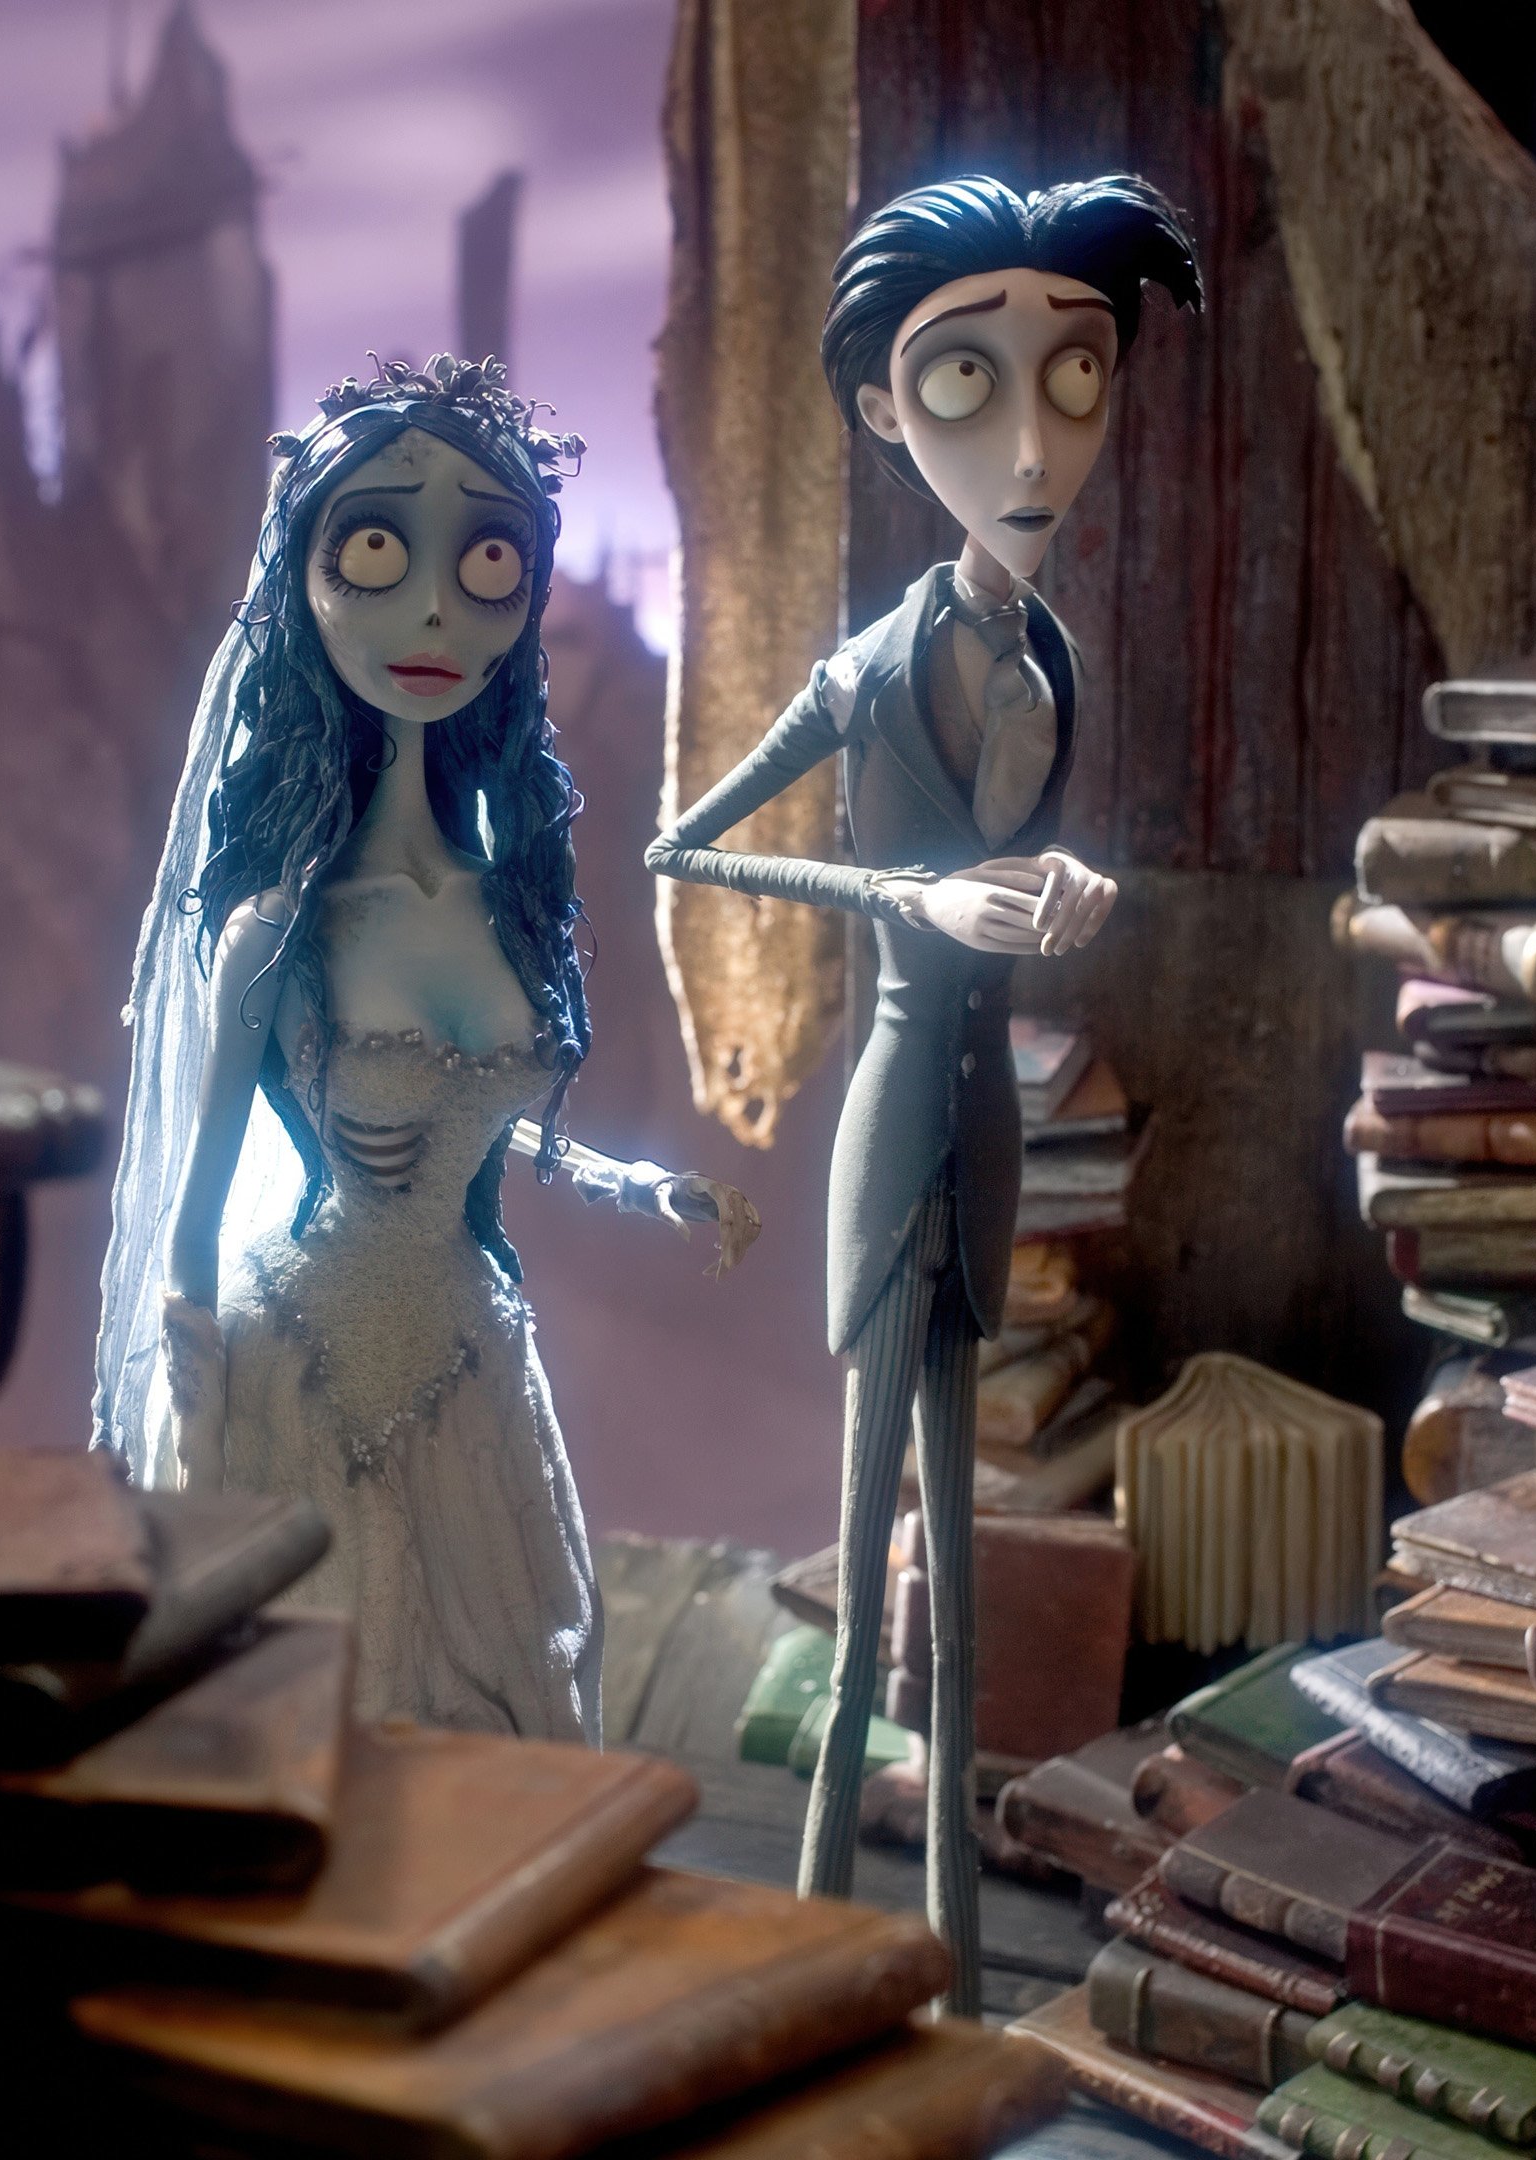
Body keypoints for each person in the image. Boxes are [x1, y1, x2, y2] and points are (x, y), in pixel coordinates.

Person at [648, 175, 1198, 2003]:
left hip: (988, 1122)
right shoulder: (863, 672)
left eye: (1077, 375)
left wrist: (1068, 884)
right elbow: (683, 849)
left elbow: (1027, 850)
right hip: (895, 1120)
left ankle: (954, 1980)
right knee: (874, 1561)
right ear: (884, 411)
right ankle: (817, 1953)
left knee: (964, 1592)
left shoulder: (1053, 654)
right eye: (966, 382)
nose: (1034, 443)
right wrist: (910, 896)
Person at [95, 354, 749, 1744]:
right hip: (296, 1373)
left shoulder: (503, 901)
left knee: (500, 1698)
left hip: (466, 1363)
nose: (438, 609)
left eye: (488, 559)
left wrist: (645, 1188)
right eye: (380, 552)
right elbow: (191, 1226)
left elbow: (493, 1123)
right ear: (306, 576)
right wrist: (193, 1432)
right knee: (325, 1714)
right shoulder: (280, 930)